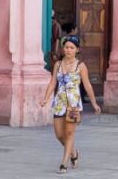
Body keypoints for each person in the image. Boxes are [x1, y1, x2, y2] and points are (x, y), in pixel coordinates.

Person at [39, 35, 101, 174]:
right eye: (66, 47)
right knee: (59, 135)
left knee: (69, 133)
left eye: (71, 48)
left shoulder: (81, 66)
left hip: (73, 104)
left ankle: (63, 164)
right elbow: (53, 82)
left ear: (77, 50)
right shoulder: (58, 65)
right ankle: (73, 153)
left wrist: (94, 103)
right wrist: (45, 98)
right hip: (59, 102)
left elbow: (88, 85)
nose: (68, 50)